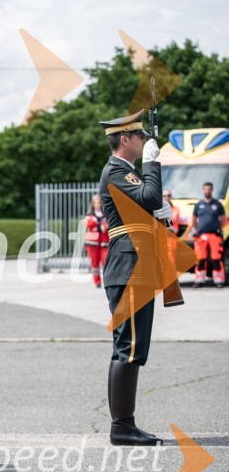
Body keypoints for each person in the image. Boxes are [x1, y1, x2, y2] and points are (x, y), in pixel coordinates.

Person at [98, 109, 171, 446]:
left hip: (134, 266)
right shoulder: (116, 170)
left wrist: (160, 218)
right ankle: (122, 427)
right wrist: (153, 166)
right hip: (127, 268)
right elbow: (150, 196)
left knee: (133, 348)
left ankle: (124, 425)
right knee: (127, 348)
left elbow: (148, 205)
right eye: (140, 137)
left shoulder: (126, 174)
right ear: (124, 139)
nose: (144, 142)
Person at [191, 182, 226, 288]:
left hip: (214, 235)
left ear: (212, 190)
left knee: (216, 258)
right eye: (205, 189)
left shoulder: (218, 204)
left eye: (209, 189)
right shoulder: (198, 205)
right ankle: (199, 280)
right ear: (203, 190)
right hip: (201, 235)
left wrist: (218, 228)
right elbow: (193, 219)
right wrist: (197, 229)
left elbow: (223, 219)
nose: (207, 191)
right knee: (200, 258)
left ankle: (219, 280)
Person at [83, 194, 108, 288]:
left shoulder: (106, 213)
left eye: (99, 202)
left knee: (106, 261)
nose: (98, 204)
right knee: (94, 263)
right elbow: (89, 224)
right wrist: (98, 222)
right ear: (93, 204)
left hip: (104, 242)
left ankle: (107, 281)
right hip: (92, 242)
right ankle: (97, 282)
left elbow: (108, 225)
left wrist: (99, 225)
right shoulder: (89, 214)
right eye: (96, 202)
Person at [163, 190, 180, 267]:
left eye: (168, 195)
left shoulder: (175, 209)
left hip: (171, 237)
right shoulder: (157, 209)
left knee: (171, 258)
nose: (166, 197)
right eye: (164, 196)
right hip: (160, 237)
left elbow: (171, 221)